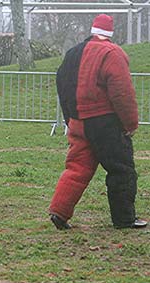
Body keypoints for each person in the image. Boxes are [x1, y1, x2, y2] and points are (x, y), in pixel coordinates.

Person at [49, 14, 147, 230]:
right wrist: (130, 124)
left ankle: (59, 211)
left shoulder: (73, 53)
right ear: (110, 35)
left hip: (78, 120)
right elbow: (122, 93)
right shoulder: (112, 53)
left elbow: (62, 86)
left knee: (77, 167)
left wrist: (70, 118)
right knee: (121, 169)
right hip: (105, 123)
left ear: (93, 31)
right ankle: (124, 219)